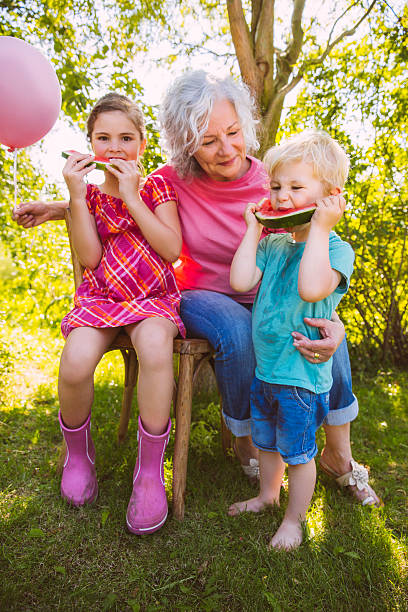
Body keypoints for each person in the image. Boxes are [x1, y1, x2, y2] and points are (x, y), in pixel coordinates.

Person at [13, 71, 381, 507]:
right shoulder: (175, 179)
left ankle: (340, 455)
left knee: (325, 334)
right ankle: (248, 442)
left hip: (271, 294)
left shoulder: (274, 180)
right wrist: (58, 208)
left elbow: (313, 238)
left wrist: (331, 317)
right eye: (208, 141)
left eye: (233, 132)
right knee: (236, 329)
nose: (226, 149)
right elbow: (118, 200)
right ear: (188, 145)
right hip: (203, 295)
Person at [57, 93, 185, 535]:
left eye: (125, 137)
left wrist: (132, 196)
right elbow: (90, 258)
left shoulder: (157, 187)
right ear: (89, 144)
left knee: (153, 348)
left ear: (142, 144)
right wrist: (75, 198)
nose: (114, 147)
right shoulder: (88, 197)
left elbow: (170, 250)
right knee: (74, 362)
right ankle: (79, 456)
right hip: (103, 298)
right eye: (103, 137)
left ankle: (149, 472)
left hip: (152, 297)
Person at [228, 130, 355, 550]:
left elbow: (310, 288)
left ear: (329, 196)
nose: (282, 197)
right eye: (276, 186)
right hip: (267, 371)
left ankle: (294, 521)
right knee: (266, 444)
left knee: (298, 455)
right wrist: (252, 229)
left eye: (296, 188)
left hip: (302, 378)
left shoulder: (336, 250)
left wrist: (320, 229)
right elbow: (241, 280)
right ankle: (267, 496)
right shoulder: (275, 243)